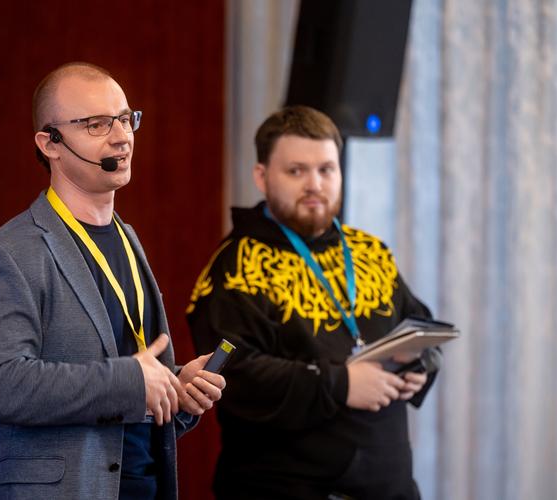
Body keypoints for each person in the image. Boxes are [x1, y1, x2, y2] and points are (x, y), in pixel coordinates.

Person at [0, 62, 225, 500]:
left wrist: (174, 388)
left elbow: (127, 373)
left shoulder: (128, 238)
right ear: (50, 143)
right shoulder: (7, 254)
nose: (121, 137)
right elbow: (0, 385)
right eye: (97, 124)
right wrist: (131, 382)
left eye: (125, 119)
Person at [187, 106, 438, 499]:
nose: (314, 184)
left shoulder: (369, 251)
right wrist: (339, 384)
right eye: (296, 171)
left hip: (389, 486)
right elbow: (232, 373)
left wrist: (420, 366)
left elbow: (420, 325)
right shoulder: (235, 266)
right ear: (262, 177)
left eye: (326, 170)